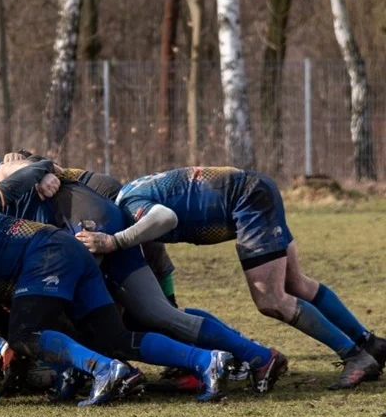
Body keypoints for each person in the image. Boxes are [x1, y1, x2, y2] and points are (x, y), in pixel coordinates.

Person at [0, 171, 234, 406]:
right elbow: (10, 185)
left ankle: (105, 370)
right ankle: (206, 360)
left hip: (45, 257)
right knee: (113, 338)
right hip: (70, 247)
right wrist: (42, 167)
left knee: (25, 336)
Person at [77, 166, 386, 389]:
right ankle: (368, 343)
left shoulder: (129, 206)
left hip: (247, 200)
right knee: (297, 284)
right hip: (255, 188)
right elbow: (160, 267)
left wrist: (114, 242)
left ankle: (354, 356)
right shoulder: (135, 196)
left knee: (272, 300)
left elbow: (165, 218)